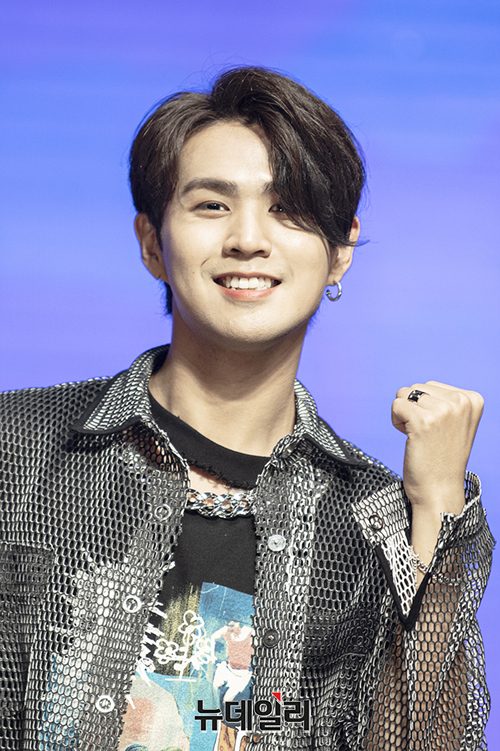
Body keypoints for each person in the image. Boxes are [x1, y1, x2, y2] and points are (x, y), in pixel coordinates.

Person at [0, 67, 493, 751]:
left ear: (340, 251)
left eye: (288, 208)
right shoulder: (17, 446)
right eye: (212, 205)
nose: (249, 239)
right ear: (151, 242)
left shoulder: (370, 520)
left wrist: (437, 505)